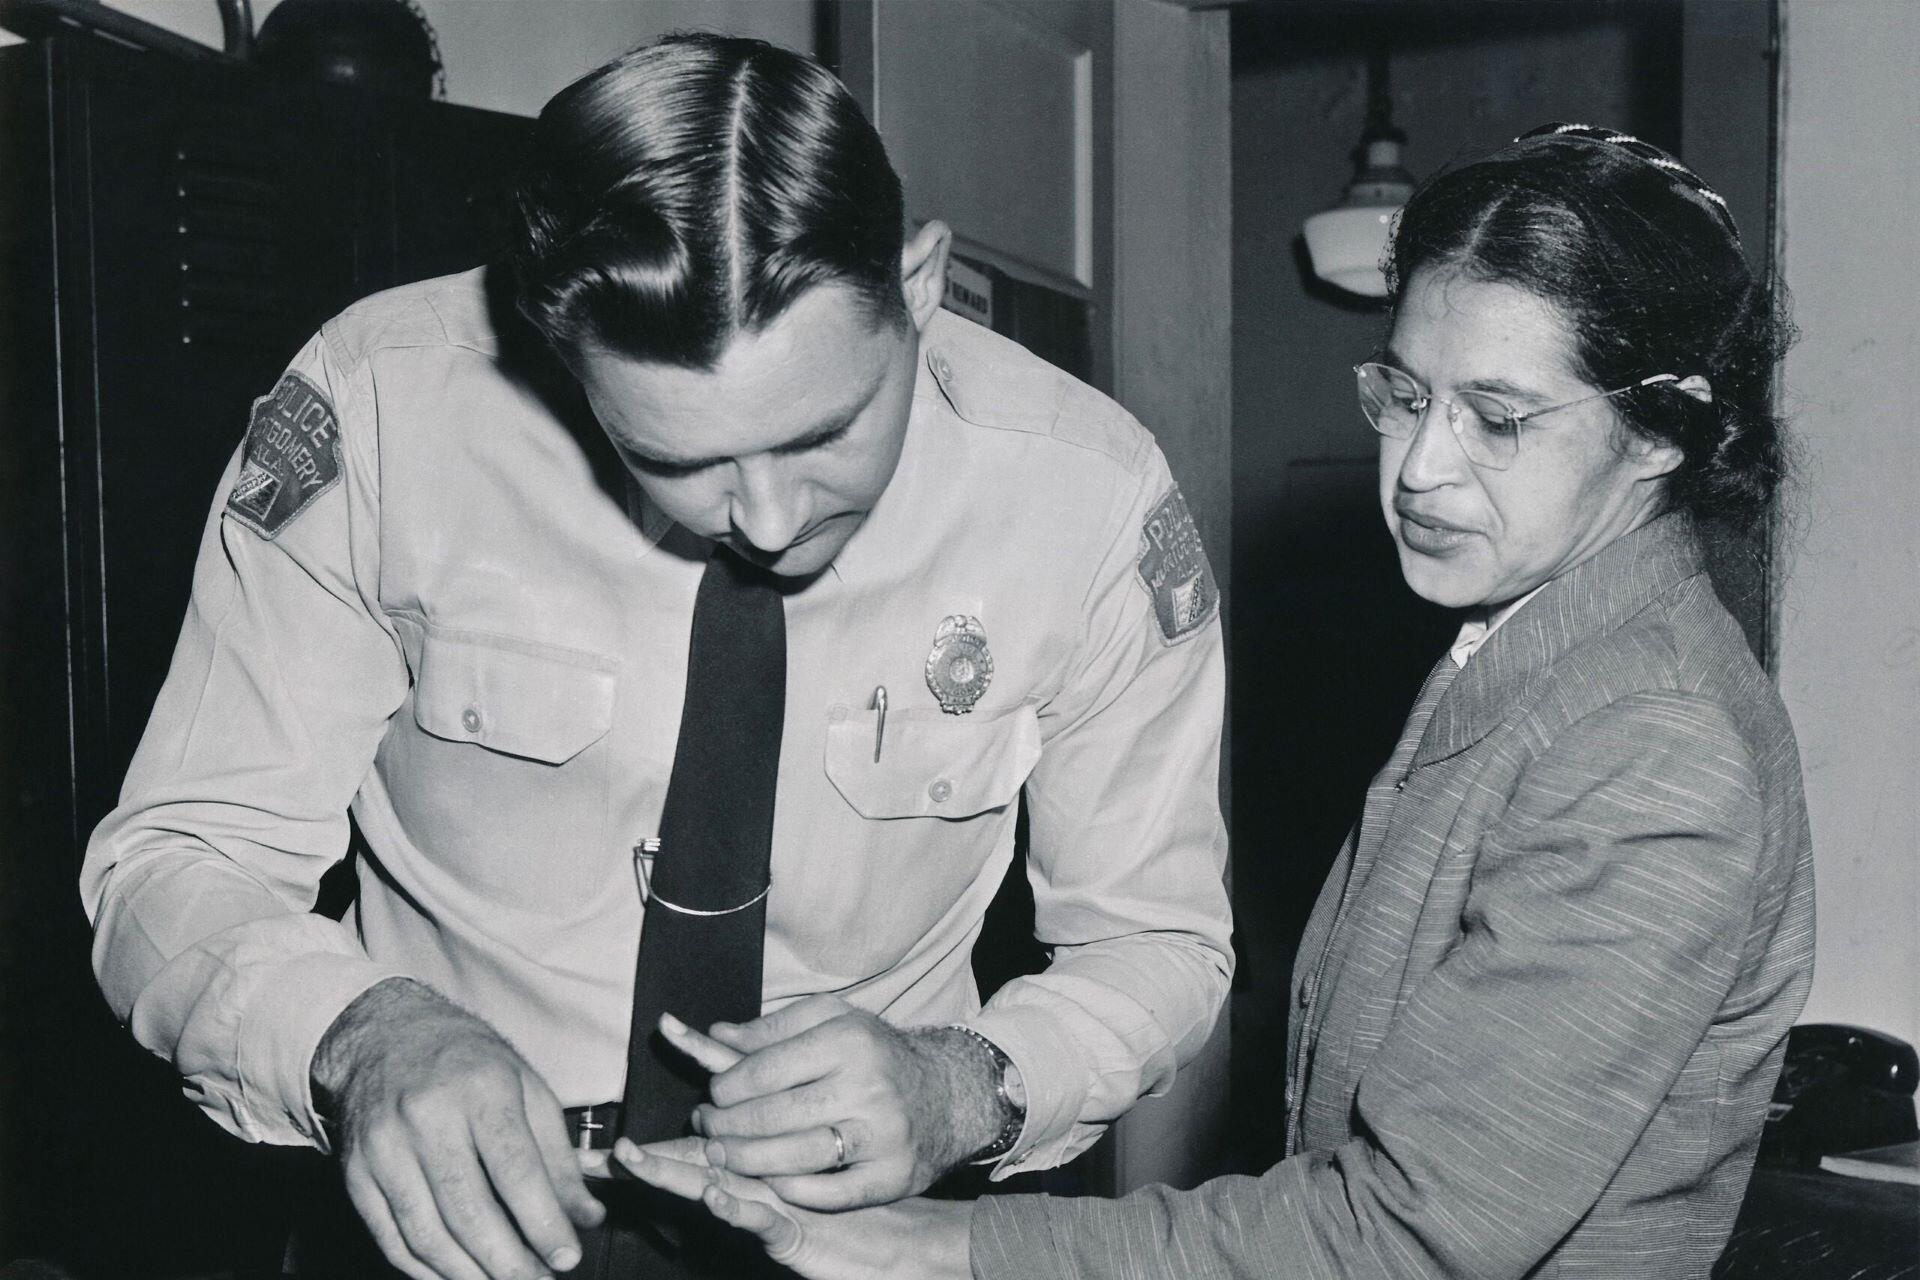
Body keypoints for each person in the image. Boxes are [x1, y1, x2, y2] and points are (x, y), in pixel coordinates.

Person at [80, 33, 1232, 1280]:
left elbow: (1157, 940)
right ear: (560, 352)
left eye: (827, 431)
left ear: (921, 281)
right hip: (456, 1228)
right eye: (678, 461)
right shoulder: (383, 408)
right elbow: (174, 861)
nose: (773, 519)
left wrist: (965, 1084)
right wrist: (360, 1037)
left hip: (864, 1237)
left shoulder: (1090, 496)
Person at [621, 122, 1816, 1280]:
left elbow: (1402, 1237)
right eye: (1404, 395)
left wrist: (944, 1245)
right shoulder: (1537, 649)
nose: (1420, 466)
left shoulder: (1653, 745)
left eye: (1497, 419)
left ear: (1663, 431)